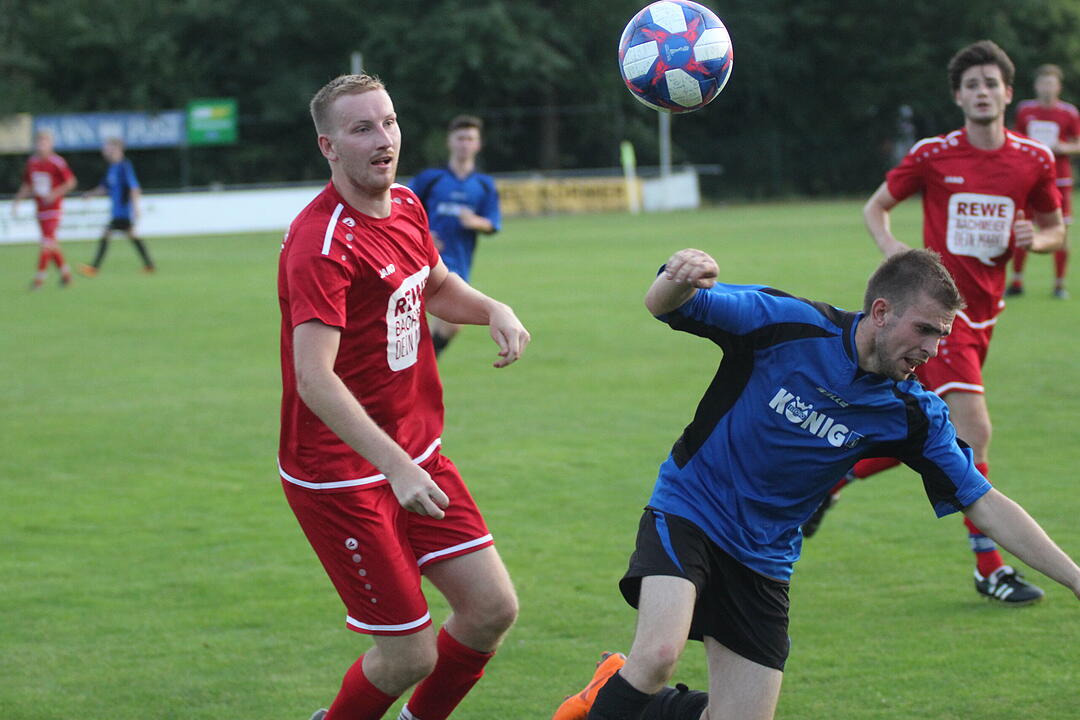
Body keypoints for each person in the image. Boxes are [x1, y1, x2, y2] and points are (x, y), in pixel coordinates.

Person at [554, 247, 1080, 720]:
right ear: (881, 312)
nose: (934, 349)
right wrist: (680, 272)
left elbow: (985, 503)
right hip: (692, 509)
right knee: (657, 656)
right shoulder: (788, 323)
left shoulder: (911, 413)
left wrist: (1076, 578)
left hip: (764, 557)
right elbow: (663, 303)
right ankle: (629, 686)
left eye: (942, 335)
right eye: (924, 329)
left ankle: (611, 690)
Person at [277, 74, 530, 720]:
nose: (382, 138)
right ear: (328, 147)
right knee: (407, 655)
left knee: (490, 610)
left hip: (416, 455)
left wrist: (493, 307)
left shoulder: (410, 207)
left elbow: (436, 286)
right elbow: (314, 377)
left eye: (388, 122)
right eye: (362, 128)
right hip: (342, 478)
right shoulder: (322, 243)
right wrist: (395, 466)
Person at [802, 41, 1066, 606]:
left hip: (989, 316)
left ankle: (831, 479)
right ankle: (989, 568)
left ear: (1006, 93)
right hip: (939, 320)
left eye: (990, 83)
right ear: (957, 96)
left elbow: (1055, 228)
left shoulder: (1033, 160)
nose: (981, 92)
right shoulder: (933, 155)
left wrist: (1036, 240)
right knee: (974, 430)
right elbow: (875, 207)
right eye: (970, 85)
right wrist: (892, 250)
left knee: (924, 433)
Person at [409, 115, 501, 356]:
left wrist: (475, 222)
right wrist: (425, 235)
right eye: (460, 138)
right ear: (450, 142)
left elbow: (493, 223)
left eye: (470, 139)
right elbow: (402, 209)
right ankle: (416, 368)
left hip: (459, 262)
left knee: (451, 326)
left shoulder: (483, 185)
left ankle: (417, 367)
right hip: (421, 259)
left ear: (478, 145)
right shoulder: (431, 179)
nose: (465, 144)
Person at [1007, 63, 1080, 299]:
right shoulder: (1026, 110)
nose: (1047, 88)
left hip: (1059, 180)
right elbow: (1015, 139)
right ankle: (1017, 281)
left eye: (1051, 83)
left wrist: (1063, 147)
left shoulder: (1068, 113)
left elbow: (1077, 143)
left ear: (1058, 86)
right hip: (1028, 179)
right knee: (1022, 227)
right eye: (1043, 83)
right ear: (1037, 86)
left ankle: (1059, 284)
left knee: (1060, 230)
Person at [12, 129, 77, 289]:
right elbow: (28, 184)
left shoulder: (57, 162)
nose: (41, 146)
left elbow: (71, 182)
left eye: (45, 142)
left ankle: (39, 280)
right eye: (39, 142)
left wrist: (55, 194)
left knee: (46, 242)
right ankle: (66, 275)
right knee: (51, 244)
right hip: (40, 208)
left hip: (54, 209)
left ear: (51, 144)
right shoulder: (32, 163)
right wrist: (17, 201)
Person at [80, 137, 155, 276]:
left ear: (116, 149)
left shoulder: (124, 166)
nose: (105, 151)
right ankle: (150, 265)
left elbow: (134, 188)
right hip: (117, 211)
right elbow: (104, 188)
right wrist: (90, 194)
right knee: (132, 236)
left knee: (106, 233)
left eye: (107, 148)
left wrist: (136, 207)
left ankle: (94, 268)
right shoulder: (112, 168)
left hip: (123, 211)